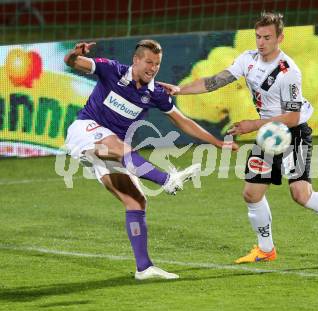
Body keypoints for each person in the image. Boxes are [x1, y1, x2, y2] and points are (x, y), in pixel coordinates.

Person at [161, 12, 318, 263]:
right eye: (258, 36)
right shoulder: (248, 60)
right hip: (269, 134)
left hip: (293, 133)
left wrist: (252, 124)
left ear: (280, 38)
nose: (261, 42)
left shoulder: (289, 71)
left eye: (267, 37)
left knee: (301, 195)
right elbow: (215, 82)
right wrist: (180, 89)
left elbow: (292, 117)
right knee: (251, 194)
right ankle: (266, 249)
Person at [64, 39, 238, 279]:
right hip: (85, 131)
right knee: (123, 148)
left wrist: (217, 142)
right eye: (148, 62)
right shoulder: (112, 70)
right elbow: (73, 63)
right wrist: (74, 54)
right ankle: (166, 179)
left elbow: (182, 121)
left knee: (136, 202)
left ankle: (143, 268)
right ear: (136, 60)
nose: (153, 68)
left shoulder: (155, 92)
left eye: (157, 64)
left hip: (111, 147)